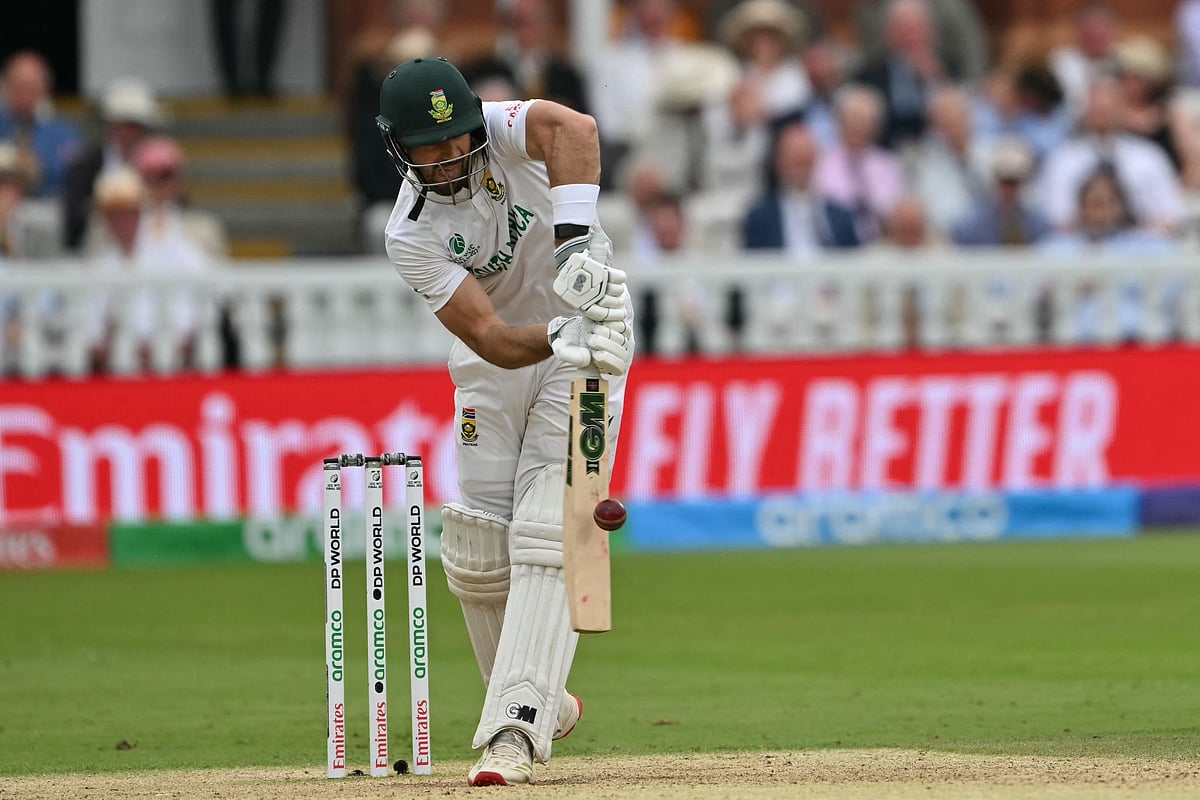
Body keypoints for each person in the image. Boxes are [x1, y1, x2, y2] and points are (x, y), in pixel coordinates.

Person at [375, 57, 633, 786]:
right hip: (506, 360)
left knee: (548, 527)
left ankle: (513, 730)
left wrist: (576, 245)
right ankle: (545, 701)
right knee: (478, 546)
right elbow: (487, 335)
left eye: (457, 137)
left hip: (593, 335)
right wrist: (555, 336)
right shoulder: (410, 232)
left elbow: (572, 127)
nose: (451, 154)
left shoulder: (497, 130)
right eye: (430, 147)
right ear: (398, 147)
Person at [0, 51, 81, 200]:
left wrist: (41, 167)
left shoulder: (62, 130)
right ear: (5, 86)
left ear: (45, 88)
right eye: (18, 86)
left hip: (47, 207)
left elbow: (74, 173)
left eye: (30, 86)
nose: (24, 93)